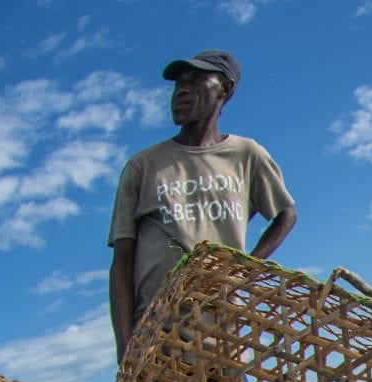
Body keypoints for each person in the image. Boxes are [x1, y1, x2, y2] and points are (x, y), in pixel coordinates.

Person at [107, 49, 297, 364]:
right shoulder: (143, 165)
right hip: (156, 338)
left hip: (223, 335)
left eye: (196, 81)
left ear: (225, 89)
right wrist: (125, 347)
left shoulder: (245, 155)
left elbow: (285, 214)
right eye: (179, 83)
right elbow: (122, 263)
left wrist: (243, 268)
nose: (181, 90)